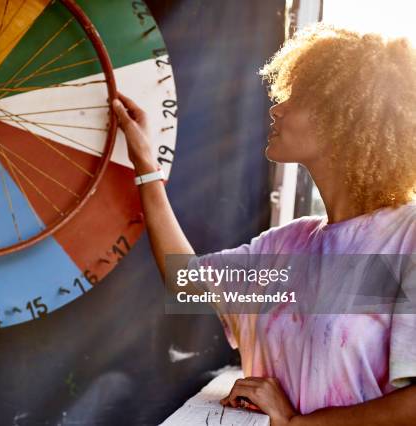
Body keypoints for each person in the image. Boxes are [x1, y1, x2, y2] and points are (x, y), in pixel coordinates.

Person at [111, 23, 416, 426]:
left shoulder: (406, 238)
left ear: (346, 116)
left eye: (297, 97)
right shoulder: (286, 246)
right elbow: (185, 281)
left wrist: (297, 424)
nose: (276, 108)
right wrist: (147, 167)